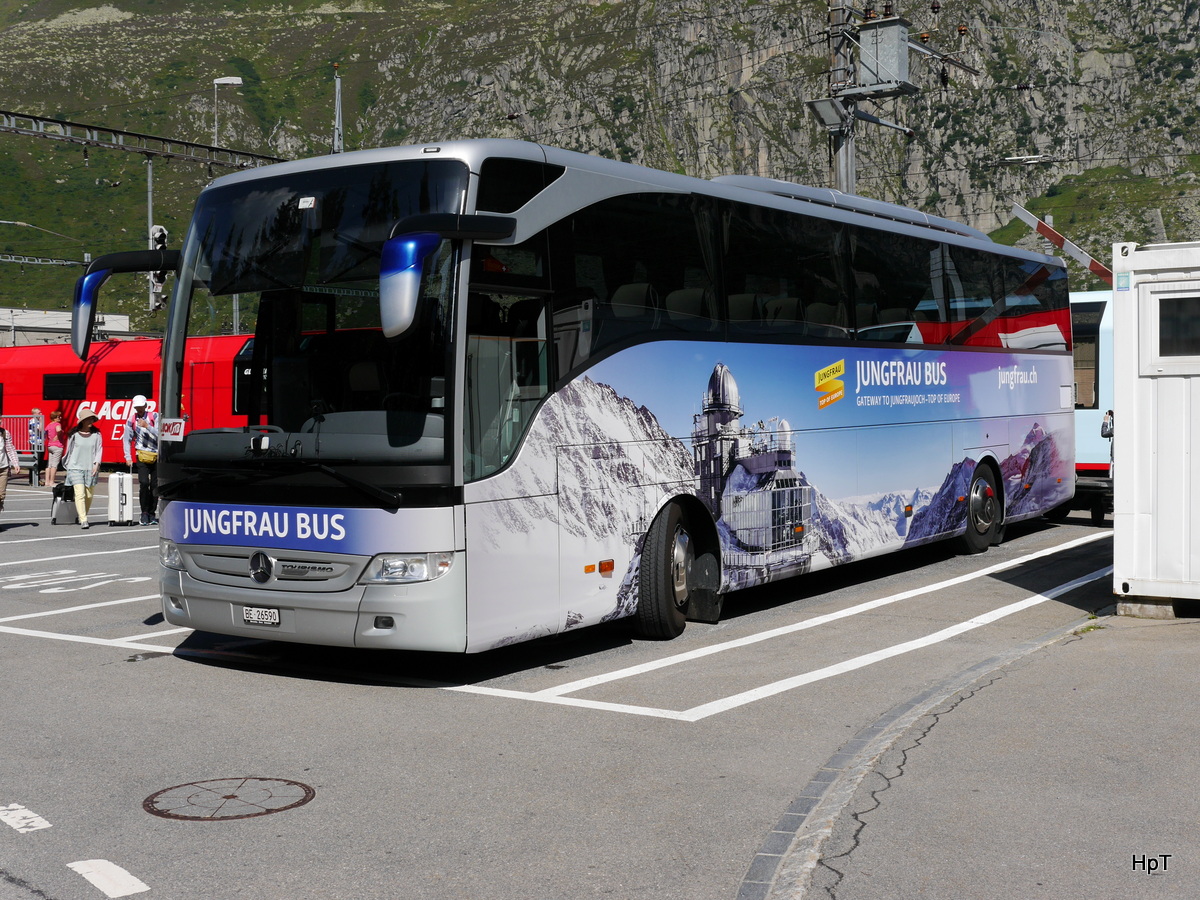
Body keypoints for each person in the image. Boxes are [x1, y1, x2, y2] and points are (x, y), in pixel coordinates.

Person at [122, 394, 160, 526]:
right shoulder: (131, 419)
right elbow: (126, 439)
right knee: (144, 483)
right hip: (142, 454)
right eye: (136, 407)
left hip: (157, 455)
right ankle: (144, 512)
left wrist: (147, 426)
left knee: (155, 485)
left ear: (145, 406)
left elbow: (161, 434)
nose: (139, 409)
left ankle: (152, 513)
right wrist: (128, 457)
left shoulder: (154, 416)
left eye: (141, 406)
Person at [63, 407, 103, 530]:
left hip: (90, 468)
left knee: (89, 495)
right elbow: (69, 451)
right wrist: (67, 465)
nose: (91, 421)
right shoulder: (74, 435)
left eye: (92, 419)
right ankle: (83, 519)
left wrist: (96, 464)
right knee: (79, 493)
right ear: (82, 421)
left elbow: (99, 450)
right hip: (75, 467)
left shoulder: (96, 435)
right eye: (88, 419)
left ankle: (81, 515)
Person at [0, 422, 21, 514]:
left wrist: (15, 464)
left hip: (3, 468)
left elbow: (10, 449)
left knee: (1, 496)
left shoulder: (5, 433)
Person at [43, 411, 65, 488]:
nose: (60, 418)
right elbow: (59, 430)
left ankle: (47, 481)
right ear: (55, 418)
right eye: (59, 417)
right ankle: (52, 481)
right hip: (57, 446)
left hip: (50, 446)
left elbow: (44, 432)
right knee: (54, 465)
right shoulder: (57, 424)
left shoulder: (49, 425)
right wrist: (57, 436)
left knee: (49, 464)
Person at [28, 407, 44, 485]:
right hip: (35, 444)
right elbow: (40, 430)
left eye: (41, 412)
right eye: (39, 413)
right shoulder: (33, 421)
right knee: (35, 462)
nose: (41, 414)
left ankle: (37, 479)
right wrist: (41, 421)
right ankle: (32, 480)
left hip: (40, 443)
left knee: (39, 462)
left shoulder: (38, 421)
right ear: (34, 414)